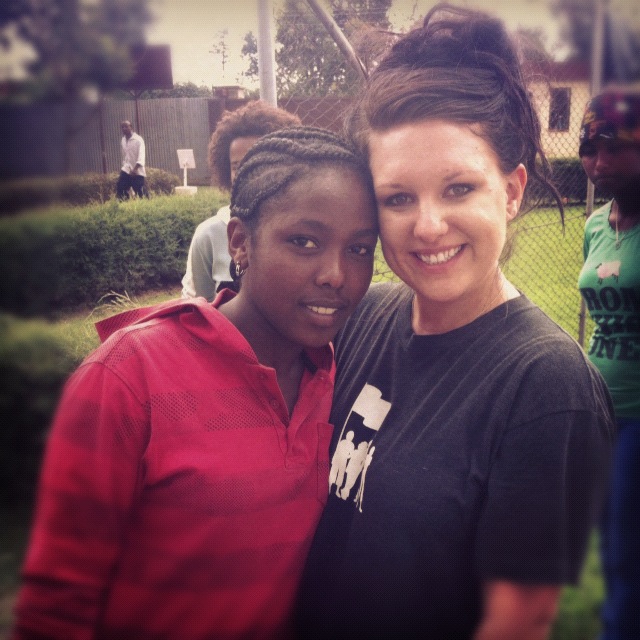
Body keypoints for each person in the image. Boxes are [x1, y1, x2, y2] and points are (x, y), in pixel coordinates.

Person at [295, 5, 617, 639]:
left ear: (512, 191)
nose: (428, 226)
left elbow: (515, 624)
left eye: (459, 188)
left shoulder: (548, 387)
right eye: (398, 198)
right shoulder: (366, 316)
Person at [11, 127, 378, 640]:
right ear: (240, 242)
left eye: (360, 249)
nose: (336, 274)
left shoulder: (337, 373)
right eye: (304, 241)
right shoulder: (126, 379)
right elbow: (56, 606)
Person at [577, 86, 640, 640]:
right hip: (598, 409)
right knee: (606, 537)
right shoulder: (597, 225)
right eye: (589, 148)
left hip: (638, 417)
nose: (598, 162)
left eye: (614, 147)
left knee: (624, 556)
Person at [182, 101, 301, 300]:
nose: (247, 173)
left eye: (259, 162)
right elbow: (198, 307)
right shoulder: (209, 236)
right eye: (237, 166)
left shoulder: (304, 229)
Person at [116, 120, 147, 200]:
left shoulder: (138, 140)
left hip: (137, 171)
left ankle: (147, 205)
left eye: (126, 126)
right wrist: (125, 166)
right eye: (122, 127)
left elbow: (141, 156)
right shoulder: (123, 140)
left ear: (131, 127)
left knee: (141, 193)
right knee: (120, 188)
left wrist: (135, 169)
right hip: (127, 169)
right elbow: (125, 155)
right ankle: (124, 204)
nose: (124, 129)